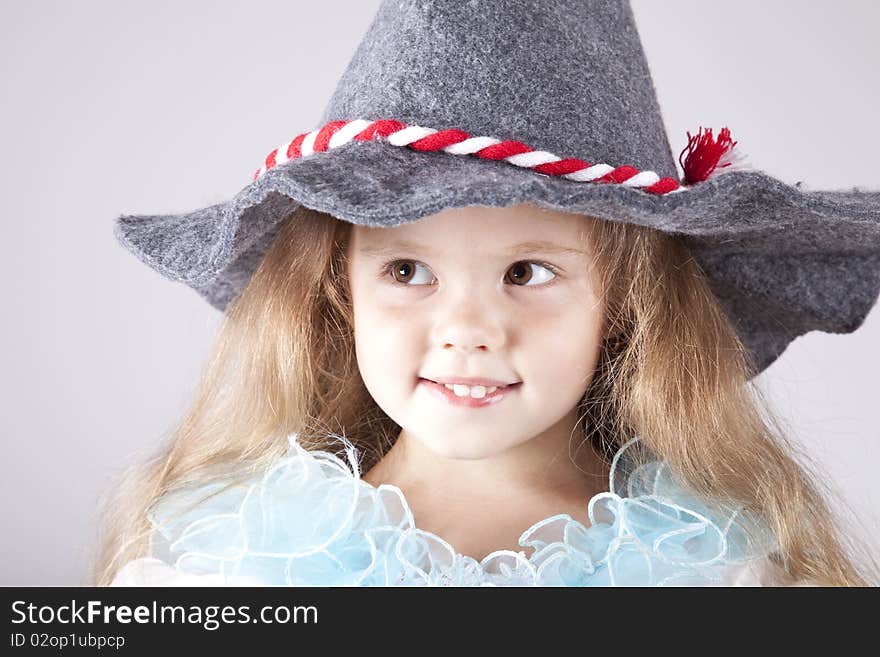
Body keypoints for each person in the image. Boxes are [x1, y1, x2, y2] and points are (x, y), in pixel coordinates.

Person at [95, 0, 880, 586]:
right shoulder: (230, 567)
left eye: (527, 272)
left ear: (625, 305)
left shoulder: (717, 572)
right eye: (408, 271)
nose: (467, 329)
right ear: (340, 293)